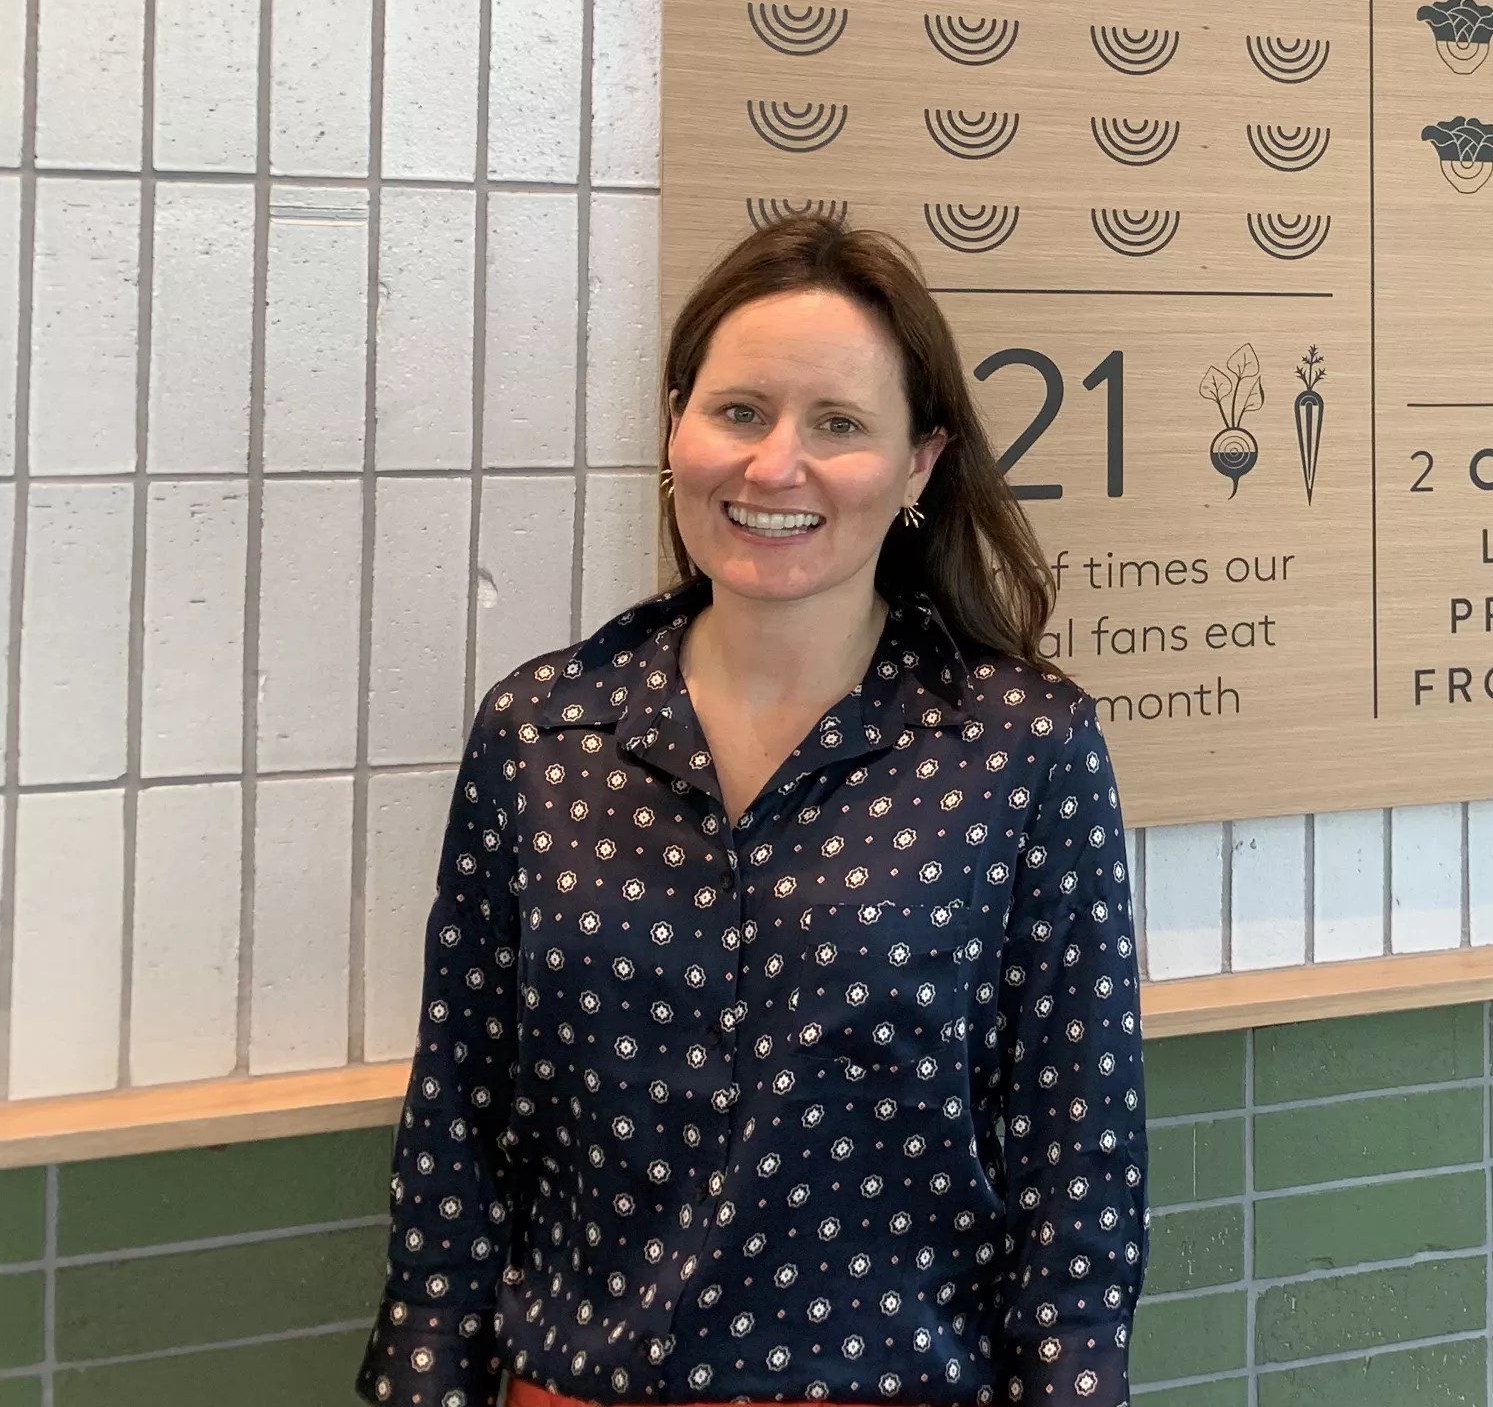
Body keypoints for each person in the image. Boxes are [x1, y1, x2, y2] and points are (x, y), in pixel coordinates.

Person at [358, 215, 1146, 1407]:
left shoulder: (1020, 750)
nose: (776, 467)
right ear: (676, 427)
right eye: (740, 411)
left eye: (839, 425)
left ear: (919, 465)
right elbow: (460, 1116)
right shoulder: (542, 734)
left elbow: (1075, 1157)